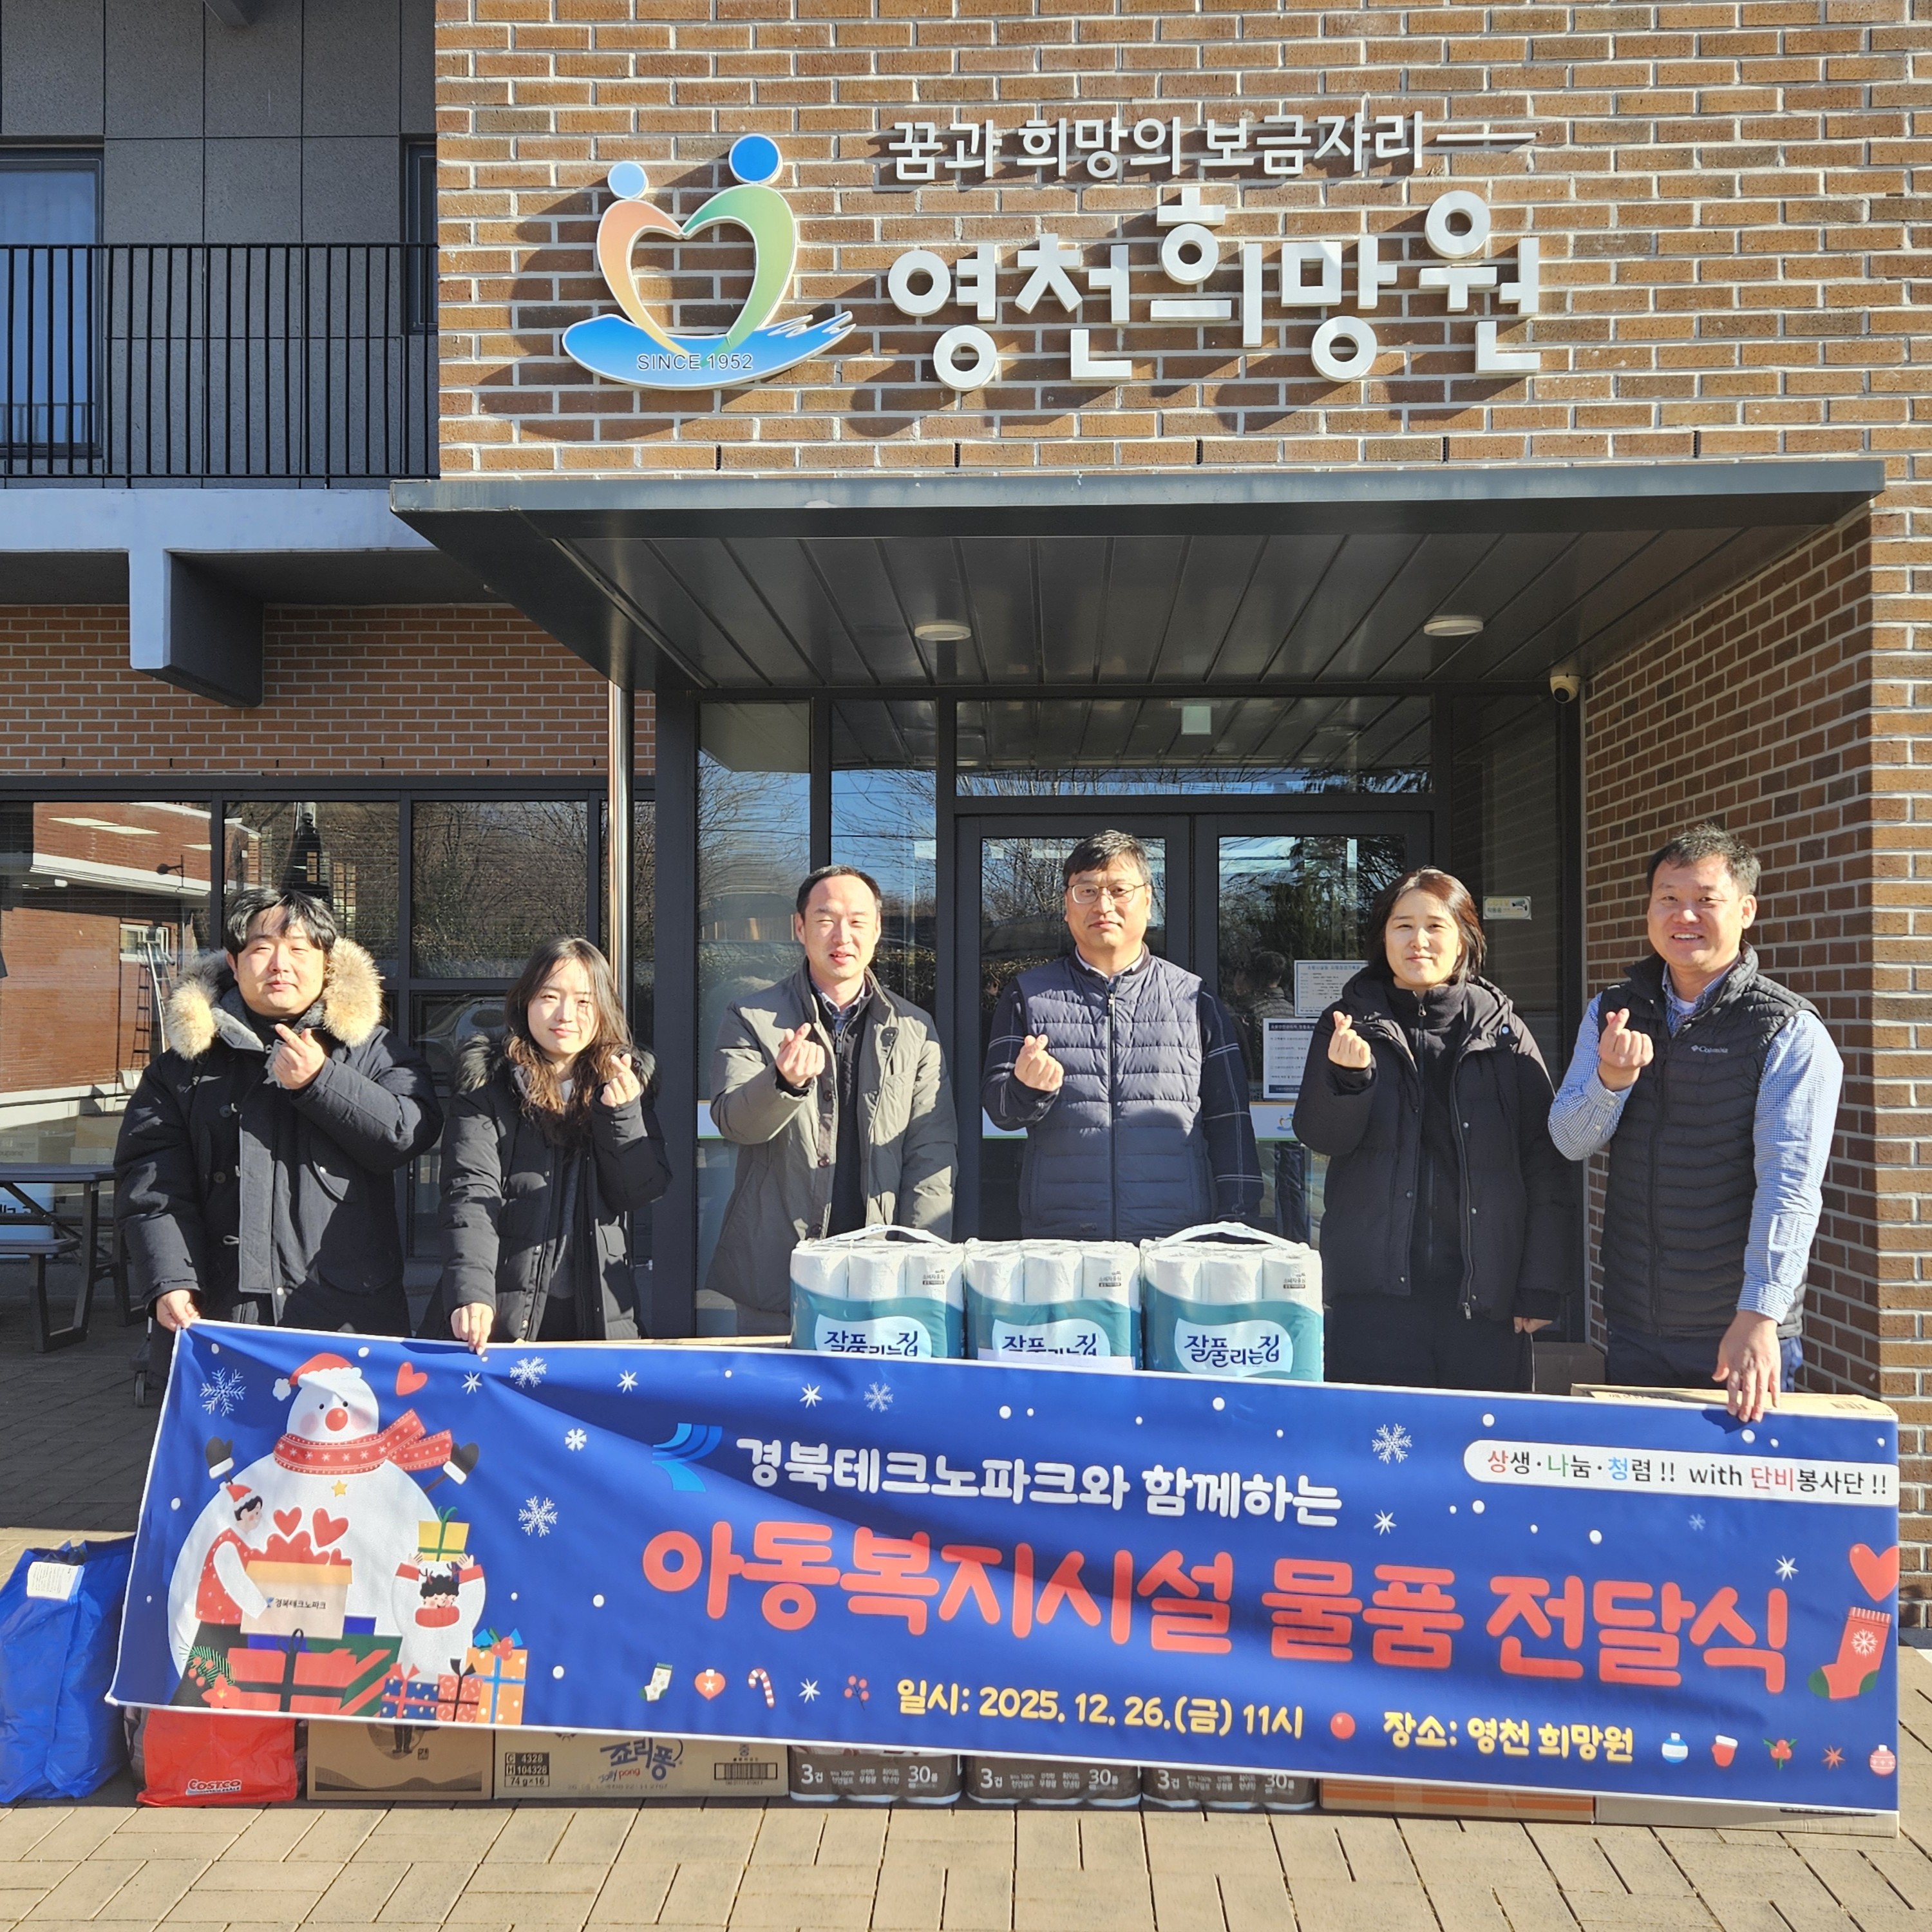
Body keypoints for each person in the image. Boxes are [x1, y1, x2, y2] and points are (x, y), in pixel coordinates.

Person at [1549, 824, 1842, 1422]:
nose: (1685, 916)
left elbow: (1790, 1185)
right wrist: (1610, 1080)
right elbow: (1570, 1140)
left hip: (1737, 1329)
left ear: (1746, 910)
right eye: (1669, 898)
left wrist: (1760, 1315)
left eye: (1706, 900)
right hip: (1635, 1321)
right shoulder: (1612, 1010)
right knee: (1640, 1477)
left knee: (1741, 1480)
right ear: (1649, 910)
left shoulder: (1787, 1030)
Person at [116, 886, 442, 1336]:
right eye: (262, 949)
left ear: (327, 963)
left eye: (298, 949)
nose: (280, 965)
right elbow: (151, 1184)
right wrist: (170, 1278)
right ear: (233, 963)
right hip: (217, 1313)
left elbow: (407, 1134)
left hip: (344, 1316)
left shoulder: (373, 1050)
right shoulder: (181, 1068)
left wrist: (321, 1081)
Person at [1292, 868, 1571, 1391]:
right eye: (1402, 925)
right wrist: (1351, 1081)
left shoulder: (1505, 1032)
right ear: (1383, 938)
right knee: (1378, 1438)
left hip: (1485, 1300)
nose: (1418, 940)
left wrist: (1539, 1284)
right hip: (1373, 1298)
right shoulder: (1347, 1023)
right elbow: (1322, 1137)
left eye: (1436, 926)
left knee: (1482, 1438)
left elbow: (1544, 1162)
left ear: (1464, 939)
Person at [707, 865, 956, 1334]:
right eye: (825, 920)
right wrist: (783, 1082)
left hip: (880, 1270)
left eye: (858, 921)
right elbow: (735, 1123)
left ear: (877, 930)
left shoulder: (915, 1028)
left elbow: (932, 1151)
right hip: (776, 1269)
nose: (843, 935)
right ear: (800, 928)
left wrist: (920, 1259)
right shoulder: (751, 1016)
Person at [982, 829, 1260, 1240]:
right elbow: (1001, 1112)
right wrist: (1025, 1086)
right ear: (1067, 906)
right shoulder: (1028, 995)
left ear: (1148, 900)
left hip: (1176, 1239)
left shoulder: (1194, 998)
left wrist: (1235, 1225)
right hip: (1062, 1238)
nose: (1103, 905)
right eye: (1087, 891)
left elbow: (1229, 1120)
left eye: (1119, 890)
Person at [436, 938, 670, 1350]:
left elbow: (639, 1191)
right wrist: (471, 1291)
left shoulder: (624, 1083)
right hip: (499, 1315)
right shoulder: (487, 1087)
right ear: (525, 1001)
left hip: (599, 1313)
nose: (566, 1015)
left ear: (603, 1010)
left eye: (584, 1001)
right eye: (549, 997)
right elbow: (470, 1194)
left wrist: (622, 1115)